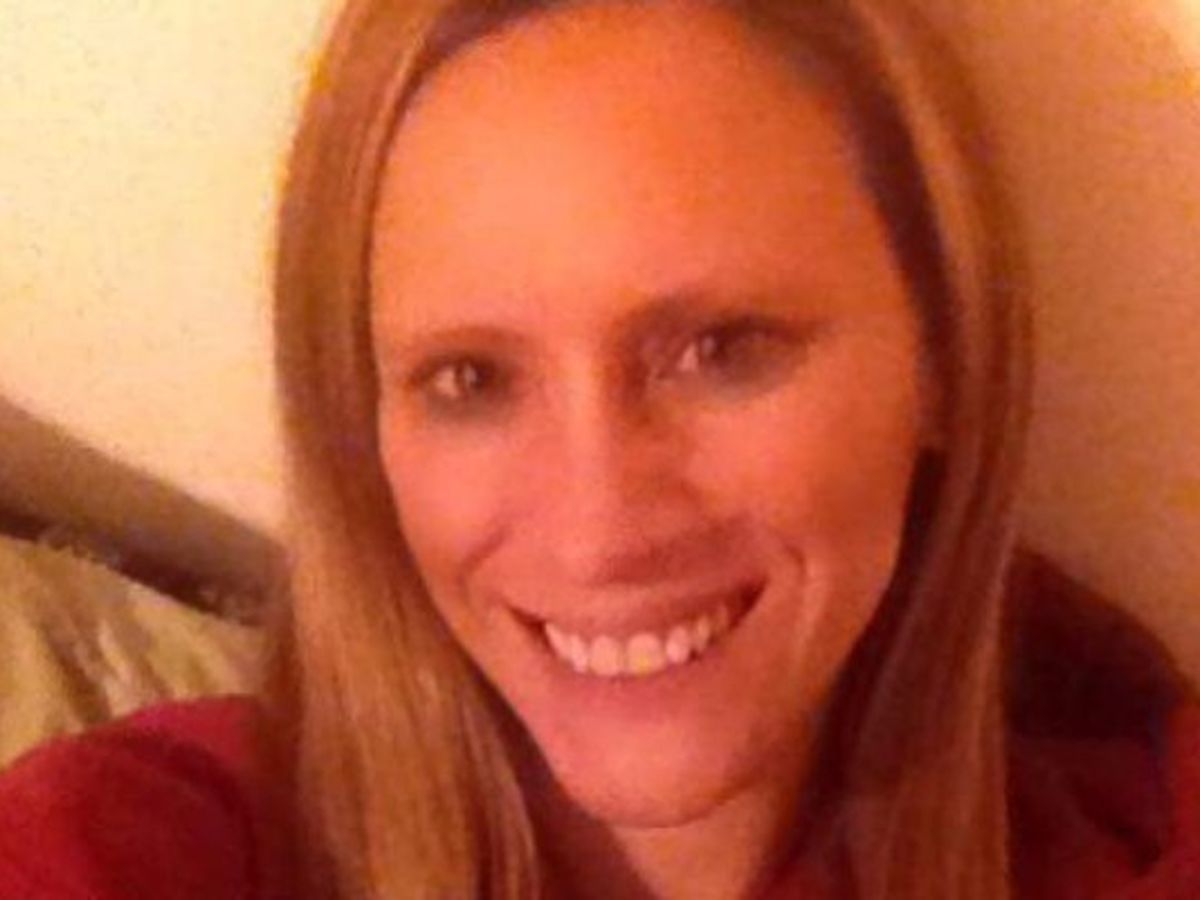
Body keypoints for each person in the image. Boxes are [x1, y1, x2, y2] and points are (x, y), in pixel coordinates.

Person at [1, 0, 1196, 898]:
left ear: (944, 353)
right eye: (470, 380)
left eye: (724, 348)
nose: (598, 531)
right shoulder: (131, 846)